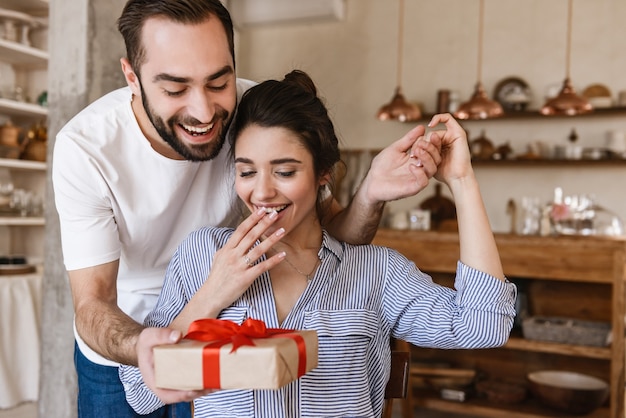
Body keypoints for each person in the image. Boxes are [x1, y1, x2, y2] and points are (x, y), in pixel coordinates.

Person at [51, 1, 443, 417]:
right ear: (132, 76)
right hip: (123, 346)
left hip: (218, 331)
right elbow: (92, 302)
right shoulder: (86, 149)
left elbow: (334, 238)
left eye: (219, 82)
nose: (203, 113)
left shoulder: (255, 116)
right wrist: (143, 344)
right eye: (175, 89)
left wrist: (371, 194)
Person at [119, 70, 517, 417]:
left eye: (286, 171)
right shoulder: (205, 254)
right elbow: (139, 391)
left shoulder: (375, 271)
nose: (262, 192)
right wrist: (210, 296)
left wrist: (462, 182)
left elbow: (484, 326)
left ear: (324, 173)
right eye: (247, 172)